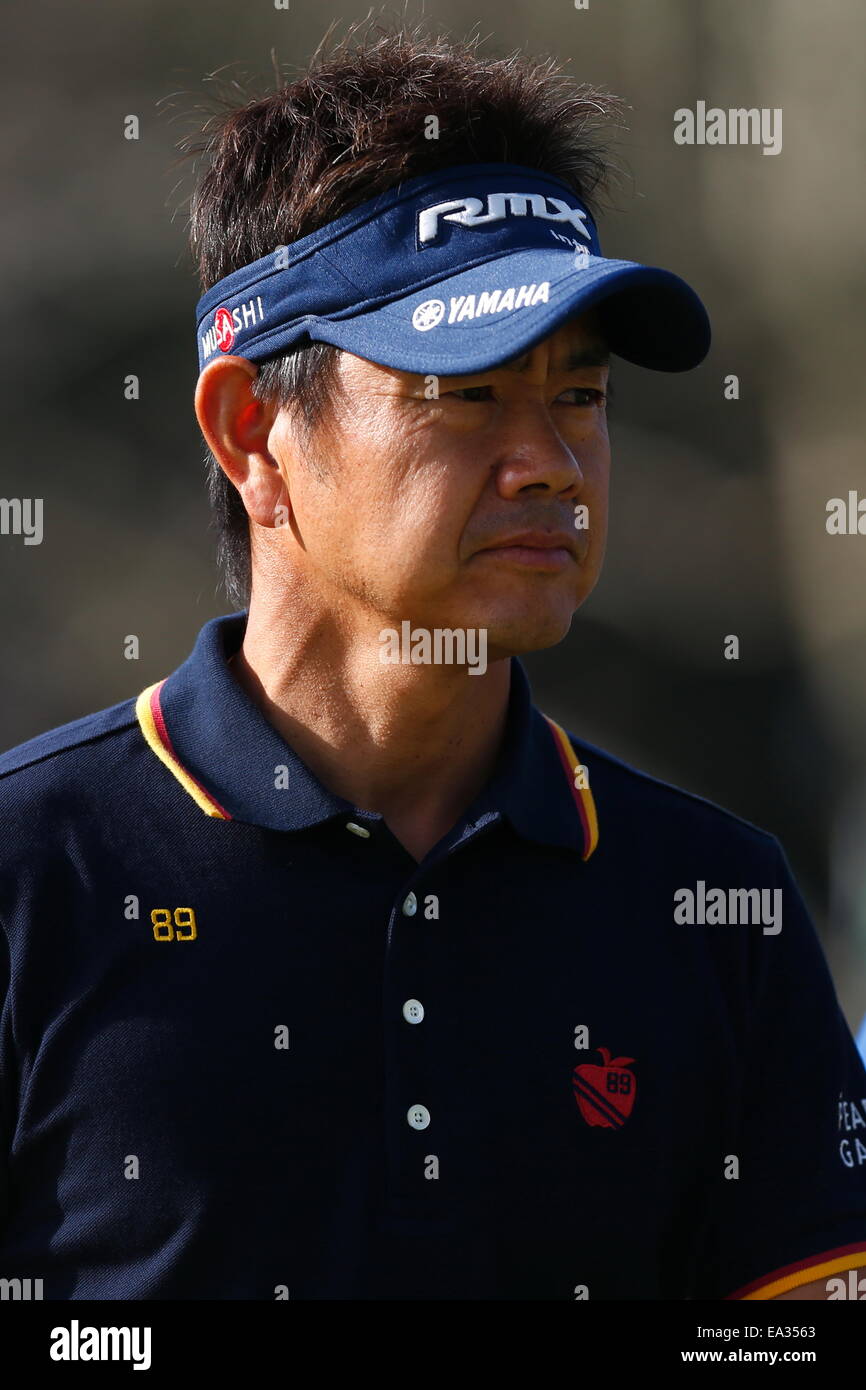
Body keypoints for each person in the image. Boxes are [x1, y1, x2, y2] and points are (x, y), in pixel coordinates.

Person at [1, 23, 864, 1301]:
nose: (550, 465)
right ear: (252, 434)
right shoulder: (31, 875)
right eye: (463, 393)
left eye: (577, 397)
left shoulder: (714, 904)